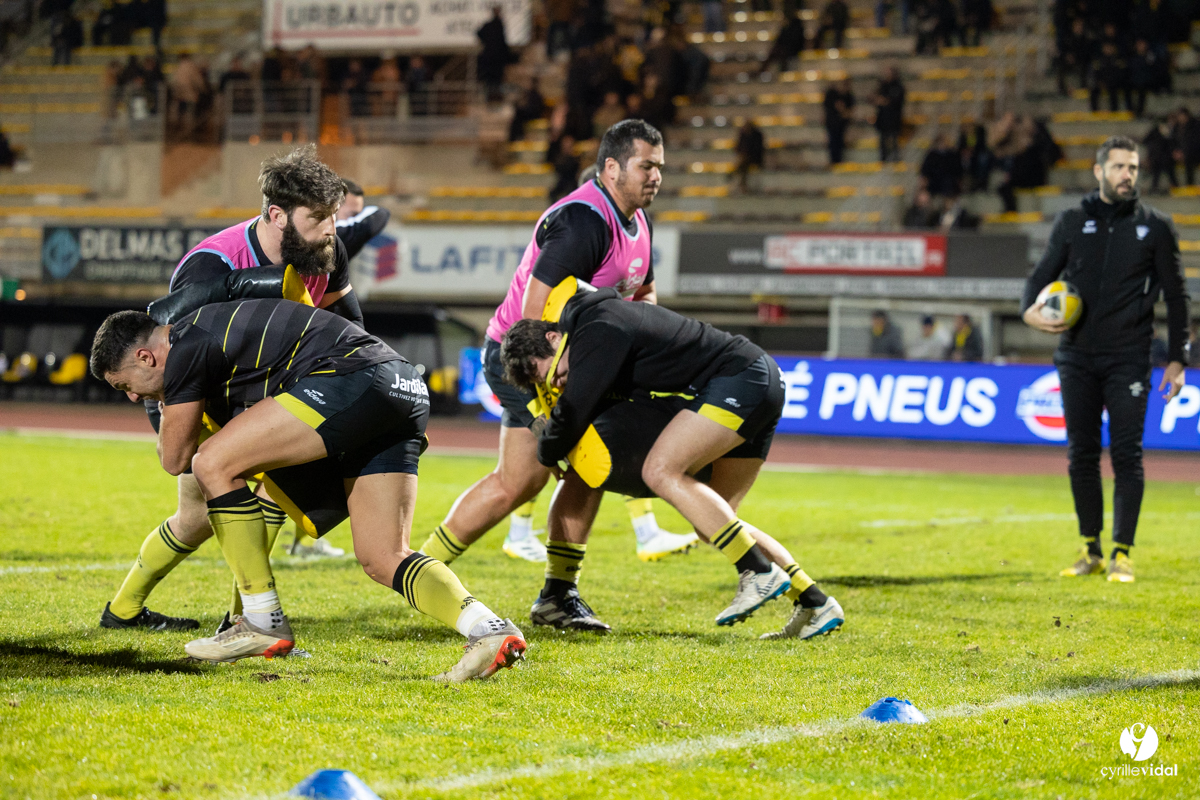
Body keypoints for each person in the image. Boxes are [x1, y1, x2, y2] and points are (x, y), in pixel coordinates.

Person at [89, 301, 527, 681]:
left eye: (125, 385)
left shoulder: (184, 347)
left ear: (146, 356)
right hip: (403, 387)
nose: (133, 398)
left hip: (352, 378)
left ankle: (262, 618)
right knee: (383, 556)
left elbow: (174, 459)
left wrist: (166, 402)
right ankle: (489, 629)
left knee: (213, 463)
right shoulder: (208, 330)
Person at [97, 146, 366, 633]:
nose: (332, 228)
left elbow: (346, 321)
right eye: (319, 217)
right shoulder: (211, 264)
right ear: (277, 215)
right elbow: (176, 361)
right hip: (193, 392)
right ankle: (245, 621)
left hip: (260, 386)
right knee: (220, 504)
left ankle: (139, 613)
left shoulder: (323, 250)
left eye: (333, 215)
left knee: (234, 503)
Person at [417, 120, 700, 570]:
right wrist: (561, 399)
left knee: (518, 484)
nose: (656, 176)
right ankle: (550, 586)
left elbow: (643, 293)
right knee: (582, 464)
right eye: (646, 166)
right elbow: (532, 320)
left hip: (570, 364)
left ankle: (427, 567)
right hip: (527, 362)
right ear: (612, 168)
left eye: (660, 167)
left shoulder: (639, 220)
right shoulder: (583, 222)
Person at [499, 287, 844, 636]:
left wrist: (546, 451)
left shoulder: (596, 328)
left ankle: (756, 571)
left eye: (552, 373)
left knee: (660, 471)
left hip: (739, 379)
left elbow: (572, 411)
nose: (558, 383)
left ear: (554, 337)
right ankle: (814, 602)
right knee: (714, 521)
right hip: (760, 380)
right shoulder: (597, 326)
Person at [1022, 135, 1188, 584]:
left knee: (1127, 455)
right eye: (1118, 167)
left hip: (1129, 358)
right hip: (1075, 357)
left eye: (1132, 167)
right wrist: (1029, 314)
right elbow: (1038, 280)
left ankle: (1122, 553)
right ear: (1099, 171)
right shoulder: (1072, 221)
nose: (1127, 175)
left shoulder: (1156, 227)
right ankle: (1090, 549)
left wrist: (1177, 359)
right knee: (1081, 454)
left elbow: (1177, 298)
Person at [335, 178, 391, 260]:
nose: (354, 220)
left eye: (358, 216)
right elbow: (381, 214)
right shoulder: (338, 236)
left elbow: (381, 213)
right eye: (351, 214)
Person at [477, 7, 512, 102]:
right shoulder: (497, 25)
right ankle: (494, 99)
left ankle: (492, 98)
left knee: (491, 81)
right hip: (495, 60)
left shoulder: (492, 25)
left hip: (491, 59)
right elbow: (502, 42)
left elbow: (479, 33)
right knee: (495, 81)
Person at [872, 66, 905, 163]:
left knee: (894, 140)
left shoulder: (898, 87)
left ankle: (895, 160)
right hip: (883, 119)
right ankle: (884, 160)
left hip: (894, 119)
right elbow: (875, 98)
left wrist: (884, 101)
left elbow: (894, 101)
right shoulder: (882, 86)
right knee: (883, 141)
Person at [823, 78, 854, 166]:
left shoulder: (848, 96)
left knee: (840, 144)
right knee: (833, 143)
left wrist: (843, 111)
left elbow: (849, 112)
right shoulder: (832, 94)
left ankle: (838, 162)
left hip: (842, 125)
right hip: (832, 124)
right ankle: (834, 162)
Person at [732, 118, 765, 192]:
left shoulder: (757, 135)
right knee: (742, 163)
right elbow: (738, 147)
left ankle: (736, 177)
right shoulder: (743, 134)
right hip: (745, 158)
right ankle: (741, 182)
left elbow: (758, 149)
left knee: (742, 164)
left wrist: (746, 155)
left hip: (755, 158)